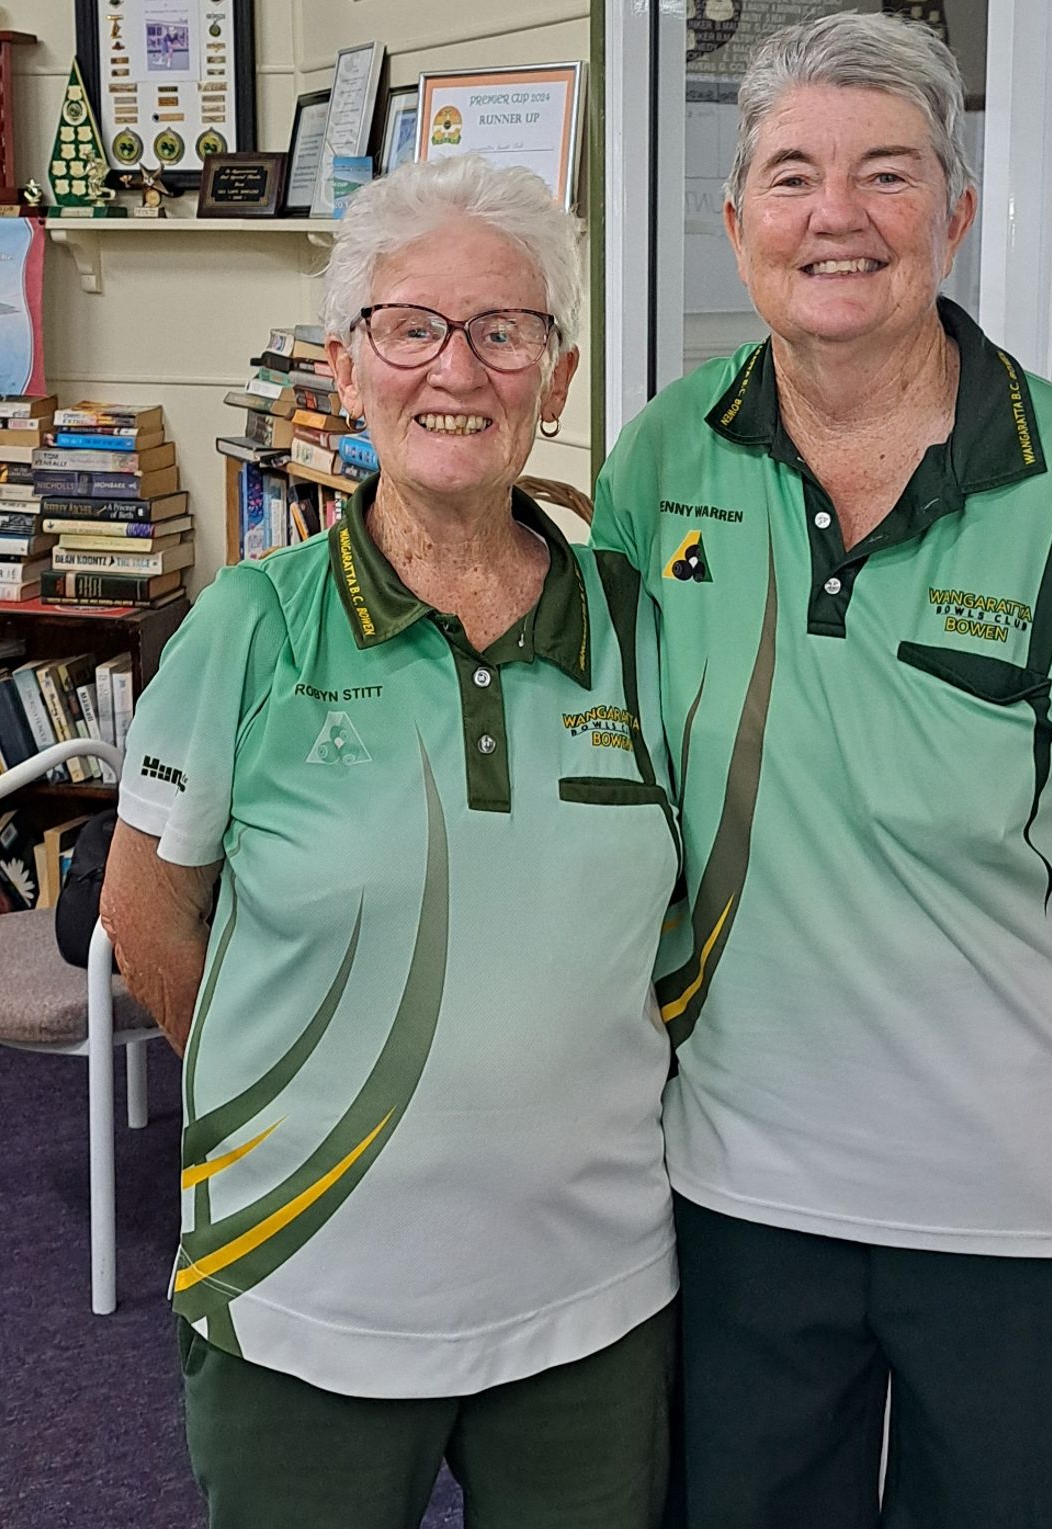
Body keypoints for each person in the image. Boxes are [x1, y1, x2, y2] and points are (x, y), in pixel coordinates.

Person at [591, 13, 1052, 1528]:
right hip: (738, 1191)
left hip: (1047, 1209)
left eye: (886, 174)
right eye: (791, 177)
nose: (835, 215)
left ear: (955, 213)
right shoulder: (658, 466)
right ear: (735, 223)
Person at [102, 155, 680, 1529]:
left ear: (558, 374)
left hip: (590, 1303)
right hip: (308, 1287)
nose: (457, 370)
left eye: (505, 331)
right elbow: (147, 922)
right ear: (349, 370)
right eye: (411, 326)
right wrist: (310, 1096)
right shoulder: (249, 626)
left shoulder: (644, 627)